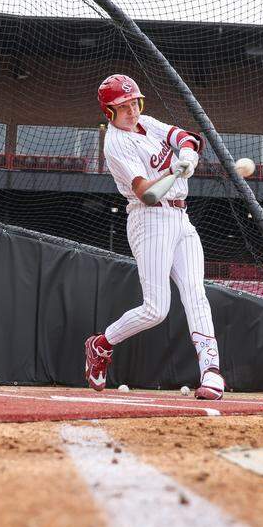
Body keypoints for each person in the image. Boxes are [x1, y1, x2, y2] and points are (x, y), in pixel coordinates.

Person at [84, 74, 224, 400]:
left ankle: (211, 370)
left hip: (181, 217)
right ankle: (101, 345)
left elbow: (184, 137)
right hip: (150, 220)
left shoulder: (145, 122)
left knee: (194, 292)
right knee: (156, 309)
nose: (132, 111)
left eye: (134, 103)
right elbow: (146, 194)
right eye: (123, 107)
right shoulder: (116, 145)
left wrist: (188, 154)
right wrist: (175, 170)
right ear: (109, 111)